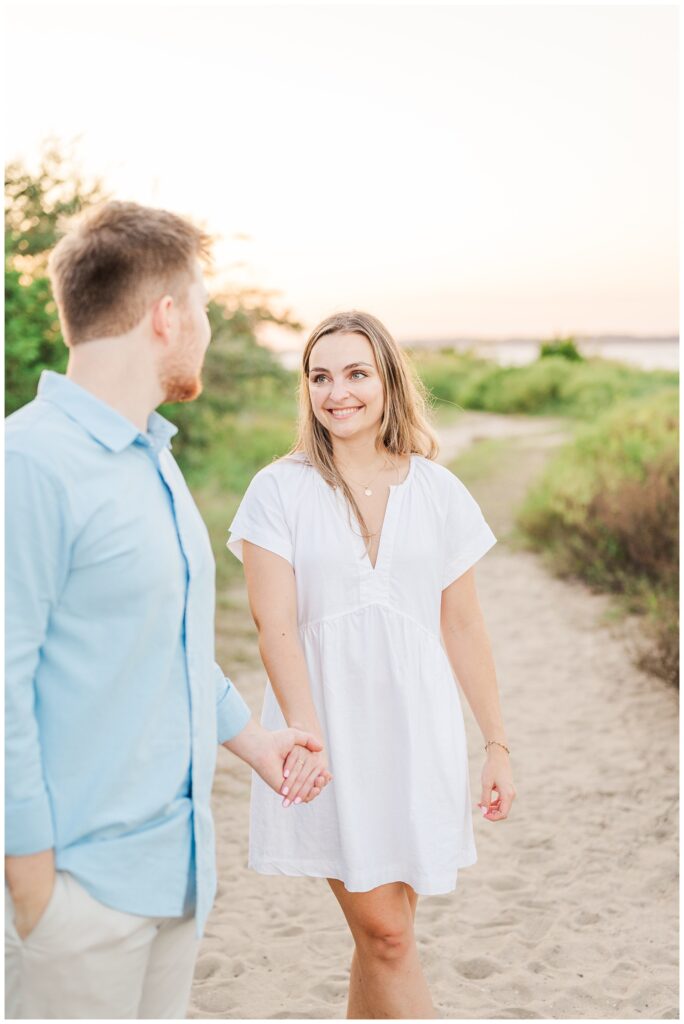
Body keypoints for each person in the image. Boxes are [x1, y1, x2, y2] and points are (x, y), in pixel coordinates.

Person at [4, 200, 331, 1020]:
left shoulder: (155, 459)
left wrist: (256, 744)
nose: (210, 333)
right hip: (78, 899)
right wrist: (36, 889)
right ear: (166, 315)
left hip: (177, 877)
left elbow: (169, 645)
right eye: (207, 312)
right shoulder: (28, 464)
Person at [226, 310, 516, 1018]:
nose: (337, 393)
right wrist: (305, 730)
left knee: (387, 932)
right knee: (386, 932)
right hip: (326, 730)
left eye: (356, 373)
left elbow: (464, 624)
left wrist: (497, 745)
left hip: (418, 735)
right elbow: (276, 625)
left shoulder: (439, 492)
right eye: (320, 376)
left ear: (388, 381)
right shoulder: (278, 490)